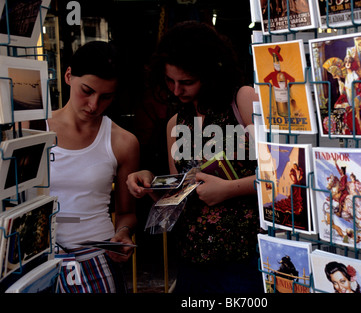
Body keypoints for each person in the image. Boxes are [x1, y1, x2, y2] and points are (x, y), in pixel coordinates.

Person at [126, 21, 263, 293]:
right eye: (169, 80)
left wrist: (229, 190)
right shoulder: (175, 123)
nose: (177, 90)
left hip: (246, 259)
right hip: (191, 260)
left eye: (187, 82)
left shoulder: (243, 100)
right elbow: (180, 197)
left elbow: (282, 174)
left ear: (211, 73)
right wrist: (150, 184)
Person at [47, 41, 140, 293]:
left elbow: (126, 212)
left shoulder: (122, 142)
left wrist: (123, 233)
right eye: (86, 90)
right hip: (39, 262)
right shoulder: (33, 132)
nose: (94, 104)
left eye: (106, 96)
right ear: (68, 76)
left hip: (97, 258)